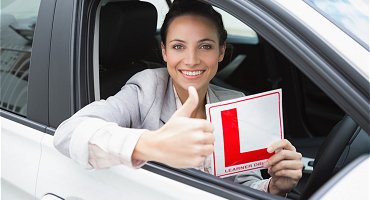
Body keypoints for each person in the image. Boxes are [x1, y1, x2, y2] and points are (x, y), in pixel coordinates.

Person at [54, 0, 303, 196]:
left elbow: (242, 184)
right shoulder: (146, 89)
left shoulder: (233, 103)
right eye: (178, 46)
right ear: (163, 51)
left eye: (205, 46)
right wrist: (152, 145)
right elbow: (69, 133)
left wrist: (274, 187)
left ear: (221, 51)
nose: (191, 59)